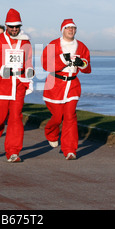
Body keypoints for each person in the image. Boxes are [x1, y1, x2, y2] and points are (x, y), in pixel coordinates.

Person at [0, 8, 35, 162]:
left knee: (16, 118)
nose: (14, 29)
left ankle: (13, 152)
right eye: (11, 26)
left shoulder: (26, 42)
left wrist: (29, 70)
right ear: (6, 26)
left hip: (18, 84)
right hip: (0, 85)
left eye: (17, 26)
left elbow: (28, 60)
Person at [41, 19, 91, 160]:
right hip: (54, 84)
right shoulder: (53, 44)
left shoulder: (81, 46)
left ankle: (70, 150)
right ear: (62, 30)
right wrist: (63, 59)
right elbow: (45, 64)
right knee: (57, 117)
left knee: (70, 117)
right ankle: (50, 131)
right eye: (68, 28)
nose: (71, 30)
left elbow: (87, 67)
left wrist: (82, 63)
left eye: (73, 28)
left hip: (72, 86)